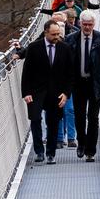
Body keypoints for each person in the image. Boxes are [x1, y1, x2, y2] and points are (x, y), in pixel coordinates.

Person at [17, 20, 74, 164]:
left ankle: (51, 153)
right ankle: (39, 152)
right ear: (45, 33)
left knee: (53, 122)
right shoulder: (33, 48)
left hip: (56, 92)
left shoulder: (65, 48)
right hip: (36, 91)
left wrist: (66, 94)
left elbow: (69, 74)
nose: (57, 36)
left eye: (58, 34)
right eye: (53, 34)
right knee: (35, 119)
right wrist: (26, 93)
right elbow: (26, 72)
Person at [64, 13, 100, 161]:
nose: (87, 27)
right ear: (80, 23)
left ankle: (90, 151)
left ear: (94, 24)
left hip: (95, 84)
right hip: (78, 83)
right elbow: (64, 58)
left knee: (93, 117)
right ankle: (81, 143)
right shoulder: (71, 39)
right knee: (80, 116)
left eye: (90, 24)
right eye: (84, 24)